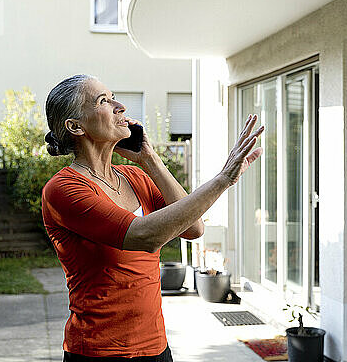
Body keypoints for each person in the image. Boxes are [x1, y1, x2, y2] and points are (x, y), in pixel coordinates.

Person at [41, 74, 264, 361]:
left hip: (156, 346)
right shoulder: (64, 189)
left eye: (113, 97)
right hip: (98, 351)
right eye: (103, 101)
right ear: (75, 126)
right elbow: (144, 236)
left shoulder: (135, 176)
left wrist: (150, 160)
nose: (119, 106)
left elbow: (194, 228)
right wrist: (223, 179)